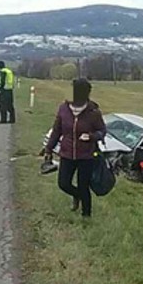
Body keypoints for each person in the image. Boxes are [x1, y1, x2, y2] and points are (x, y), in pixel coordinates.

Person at [44, 78, 106, 218]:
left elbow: (102, 131)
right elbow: (56, 131)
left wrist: (91, 136)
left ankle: (86, 216)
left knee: (84, 186)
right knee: (63, 183)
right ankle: (77, 196)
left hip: (86, 155)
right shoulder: (63, 109)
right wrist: (49, 149)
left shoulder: (93, 112)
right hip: (66, 153)